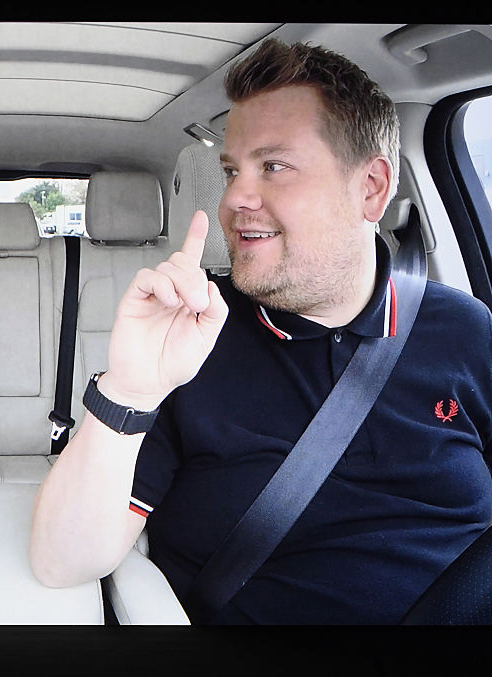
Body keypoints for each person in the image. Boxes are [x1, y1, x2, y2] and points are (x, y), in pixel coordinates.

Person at [30, 39, 492, 624]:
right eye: (232, 171)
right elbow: (60, 561)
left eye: (274, 166)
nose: (235, 200)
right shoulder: (194, 335)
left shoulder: (467, 332)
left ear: (372, 188)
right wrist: (130, 389)